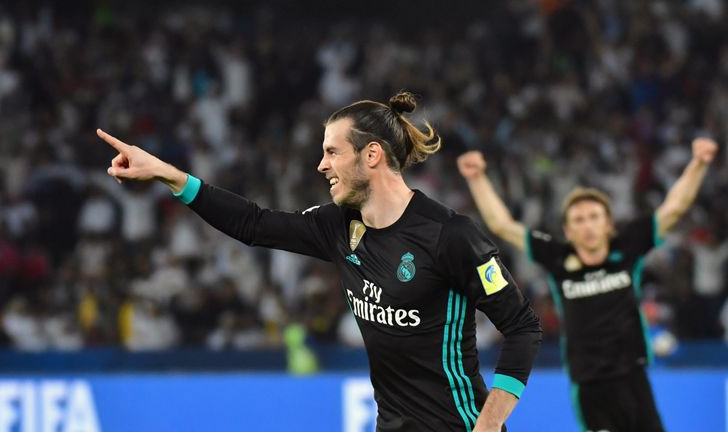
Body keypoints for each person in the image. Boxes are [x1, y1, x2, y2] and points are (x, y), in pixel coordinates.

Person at [98, 92, 542, 432]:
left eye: (332, 152)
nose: (320, 165)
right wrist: (170, 175)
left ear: (371, 156)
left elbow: (523, 327)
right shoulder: (337, 226)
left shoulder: (451, 235)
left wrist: (487, 428)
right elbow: (254, 224)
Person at [457, 137, 718, 432]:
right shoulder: (557, 256)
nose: (588, 225)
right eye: (578, 220)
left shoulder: (628, 245)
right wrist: (476, 178)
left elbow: (673, 209)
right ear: (568, 231)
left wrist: (698, 163)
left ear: (608, 224)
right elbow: (503, 225)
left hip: (633, 376)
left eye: (594, 217)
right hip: (588, 384)